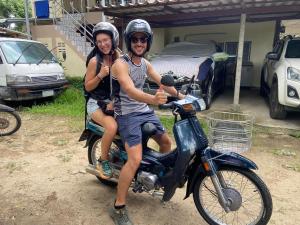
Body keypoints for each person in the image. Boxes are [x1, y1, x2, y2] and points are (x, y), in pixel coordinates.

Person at [110, 19, 185, 225]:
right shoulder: (120, 64)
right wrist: (152, 99)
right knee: (134, 159)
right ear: (129, 41)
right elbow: (129, 89)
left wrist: (182, 96)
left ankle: (159, 179)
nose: (139, 43)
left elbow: (162, 82)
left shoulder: (145, 64)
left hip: (144, 111)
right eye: (135, 39)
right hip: (126, 114)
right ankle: (118, 206)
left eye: (143, 39)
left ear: (148, 41)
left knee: (166, 142)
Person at [85, 22, 120, 179]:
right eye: (99, 41)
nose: (102, 44)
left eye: (105, 40)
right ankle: (103, 160)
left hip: (113, 102)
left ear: (113, 39)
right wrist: (100, 75)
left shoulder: (118, 57)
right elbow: (88, 87)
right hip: (96, 104)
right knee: (111, 127)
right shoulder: (95, 61)